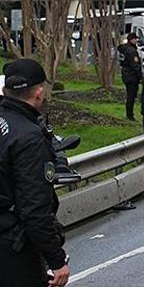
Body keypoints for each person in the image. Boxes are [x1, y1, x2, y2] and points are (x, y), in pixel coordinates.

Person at [0, 59, 70, 287]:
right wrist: (57, 260)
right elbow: (34, 208)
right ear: (39, 93)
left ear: (4, 90)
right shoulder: (29, 137)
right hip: (12, 250)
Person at [119, 33, 143, 121]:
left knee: (130, 95)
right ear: (131, 40)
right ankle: (130, 115)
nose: (136, 41)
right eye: (135, 39)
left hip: (126, 74)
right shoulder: (132, 51)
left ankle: (129, 113)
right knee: (131, 96)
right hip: (131, 76)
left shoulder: (124, 49)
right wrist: (140, 77)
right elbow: (135, 65)